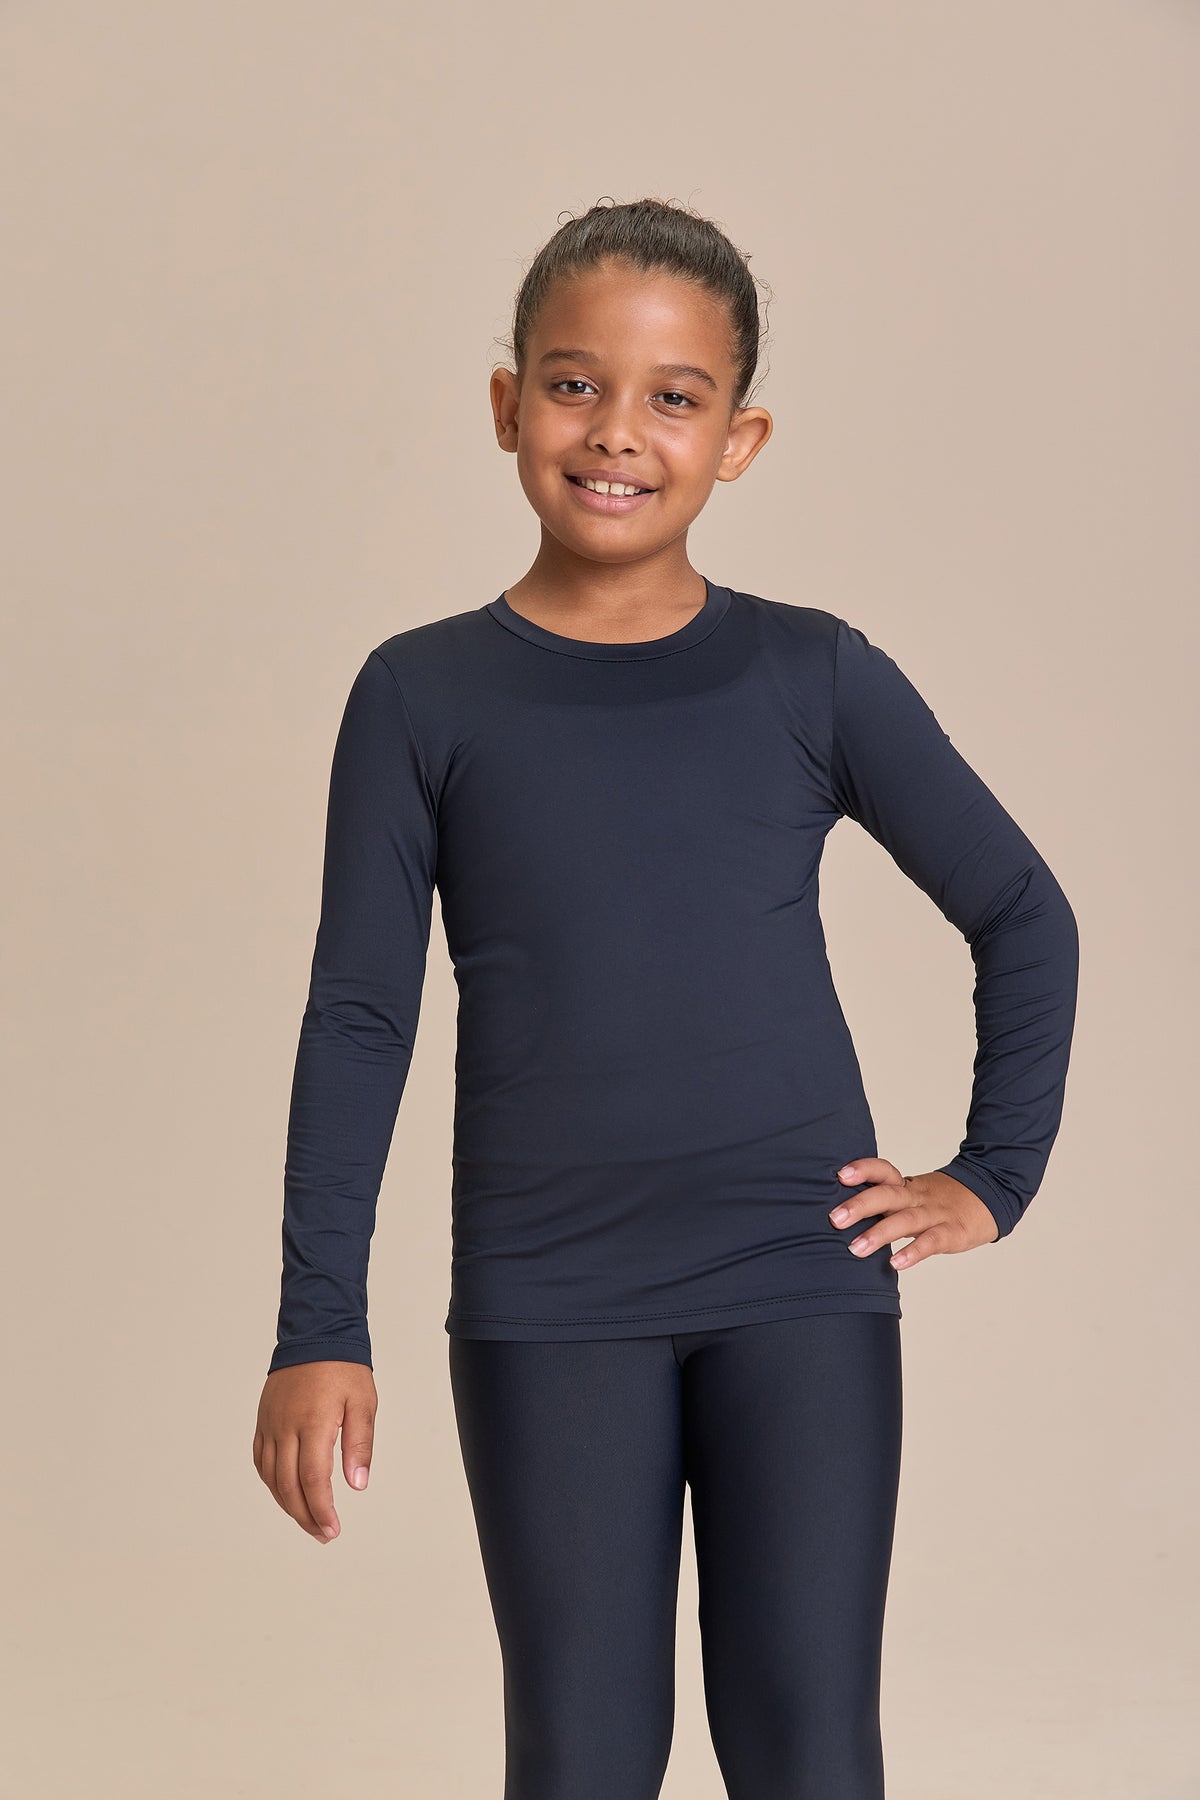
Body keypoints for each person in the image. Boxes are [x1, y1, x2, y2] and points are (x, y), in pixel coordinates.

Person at [252, 196, 1079, 1798]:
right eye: (574, 385)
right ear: (509, 404)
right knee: (581, 1759)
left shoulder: (809, 672)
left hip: (797, 1284)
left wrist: (995, 1174)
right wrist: (317, 1323)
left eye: (673, 397)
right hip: (547, 1294)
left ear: (738, 439)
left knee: (808, 1750)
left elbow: (1022, 912)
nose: (618, 431)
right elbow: (359, 1014)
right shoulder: (421, 693)